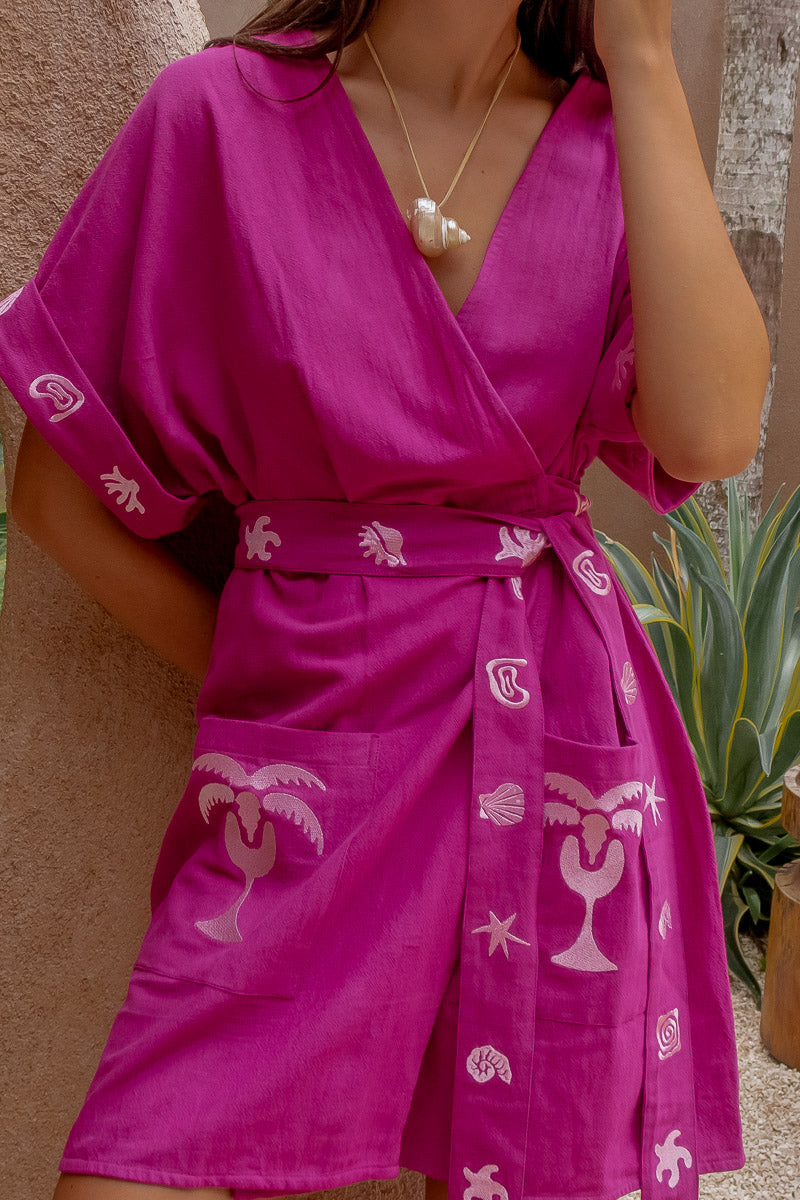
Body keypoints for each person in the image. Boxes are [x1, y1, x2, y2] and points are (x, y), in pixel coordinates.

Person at [0, 0, 769, 1198]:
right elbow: (56, 500)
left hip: (552, 750)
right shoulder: (218, 119)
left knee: (534, 1158)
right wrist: (267, 690)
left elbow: (712, 431)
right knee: (142, 1156)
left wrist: (643, 59)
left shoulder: (617, 138)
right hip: (304, 775)